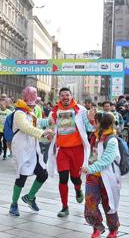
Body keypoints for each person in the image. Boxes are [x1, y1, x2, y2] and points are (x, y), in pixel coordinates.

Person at [47, 87, 93, 218]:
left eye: (67, 95)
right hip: (62, 150)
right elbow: (50, 127)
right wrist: (48, 132)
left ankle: (78, 190)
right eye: (62, 95)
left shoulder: (81, 110)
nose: (65, 97)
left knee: (75, 178)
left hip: (77, 149)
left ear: (71, 96)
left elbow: (89, 128)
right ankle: (64, 207)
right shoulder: (55, 111)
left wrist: (92, 120)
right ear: (59, 97)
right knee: (63, 178)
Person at [8, 86, 54, 217]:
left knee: (43, 174)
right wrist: (43, 133)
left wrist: (48, 121)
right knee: (21, 176)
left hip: (33, 149)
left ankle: (30, 197)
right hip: (22, 149)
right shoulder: (19, 113)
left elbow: (36, 123)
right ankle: (14, 204)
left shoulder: (30, 112)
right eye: (35, 102)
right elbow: (26, 128)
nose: (37, 104)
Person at [81, 112, 122, 238]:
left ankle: (114, 228)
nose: (94, 123)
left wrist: (89, 168)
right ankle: (97, 226)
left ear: (102, 123)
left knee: (108, 203)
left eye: (96, 121)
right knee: (90, 202)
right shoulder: (95, 135)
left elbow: (105, 161)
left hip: (108, 177)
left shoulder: (112, 140)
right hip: (93, 176)